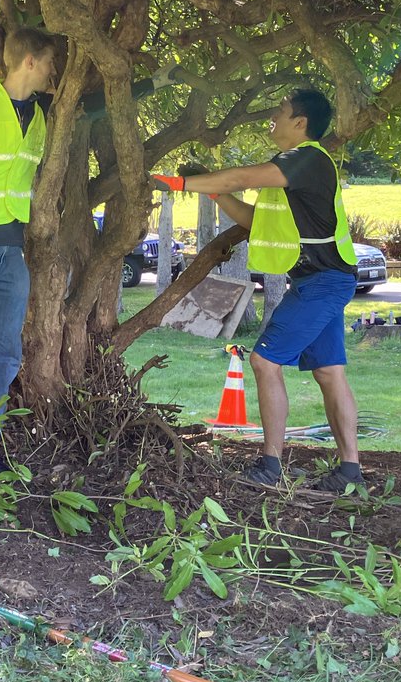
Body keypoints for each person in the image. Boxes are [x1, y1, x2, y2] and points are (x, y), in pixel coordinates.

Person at [0, 28, 177, 513]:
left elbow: (90, 105)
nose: (54, 75)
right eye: (50, 65)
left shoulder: (43, 114)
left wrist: (157, 82)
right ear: (29, 61)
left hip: (10, 247)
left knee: (4, 358)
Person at [151, 88, 365, 494]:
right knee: (328, 371)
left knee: (265, 362)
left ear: (300, 123)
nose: (273, 118)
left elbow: (241, 176)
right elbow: (255, 220)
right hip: (321, 279)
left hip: (323, 283)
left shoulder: (306, 158)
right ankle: (349, 472)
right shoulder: (294, 171)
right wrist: (216, 193)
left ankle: (270, 465)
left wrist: (177, 182)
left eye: (280, 112)